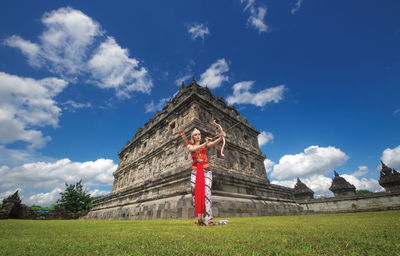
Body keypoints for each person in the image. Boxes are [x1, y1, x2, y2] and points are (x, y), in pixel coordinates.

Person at [180, 127, 226, 226]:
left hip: (206, 170)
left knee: (207, 191)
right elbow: (194, 149)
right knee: (195, 192)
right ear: (192, 137)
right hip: (195, 171)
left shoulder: (205, 145)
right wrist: (205, 143)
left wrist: (221, 137)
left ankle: (208, 218)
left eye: (199, 134)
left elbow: (212, 144)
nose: (198, 136)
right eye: (196, 135)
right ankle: (199, 219)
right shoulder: (189, 145)